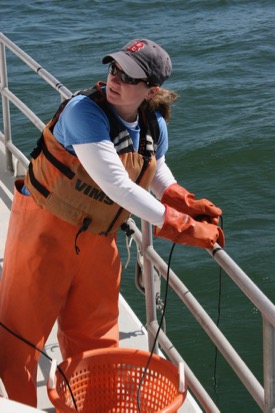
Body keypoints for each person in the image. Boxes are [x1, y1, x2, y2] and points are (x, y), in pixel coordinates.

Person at [0, 38, 224, 407]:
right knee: (20, 341)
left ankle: (91, 406)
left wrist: (181, 198)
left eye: (129, 76)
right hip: (42, 232)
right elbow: (117, 185)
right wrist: (182, 226)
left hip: (98, 241)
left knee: (96, 340)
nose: (115, 79)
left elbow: (155, 169)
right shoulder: (83, 112)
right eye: (114, 68)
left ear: (150, 90)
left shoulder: (153, 124)